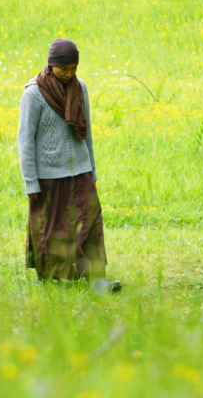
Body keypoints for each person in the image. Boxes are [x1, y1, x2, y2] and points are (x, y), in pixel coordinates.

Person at [17, 38, 121, 293]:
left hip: (80, 170)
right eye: (65, 69)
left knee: (91, 223)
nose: (70, 74)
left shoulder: (80, 88)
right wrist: (30, 180)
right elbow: (25, 139)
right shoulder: (34, 93)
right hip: (48, 176)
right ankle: (50, 278)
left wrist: (92, 170)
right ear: (52, 65)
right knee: (53, 229)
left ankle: (97, 279)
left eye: (74, 68)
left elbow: (87, 133)